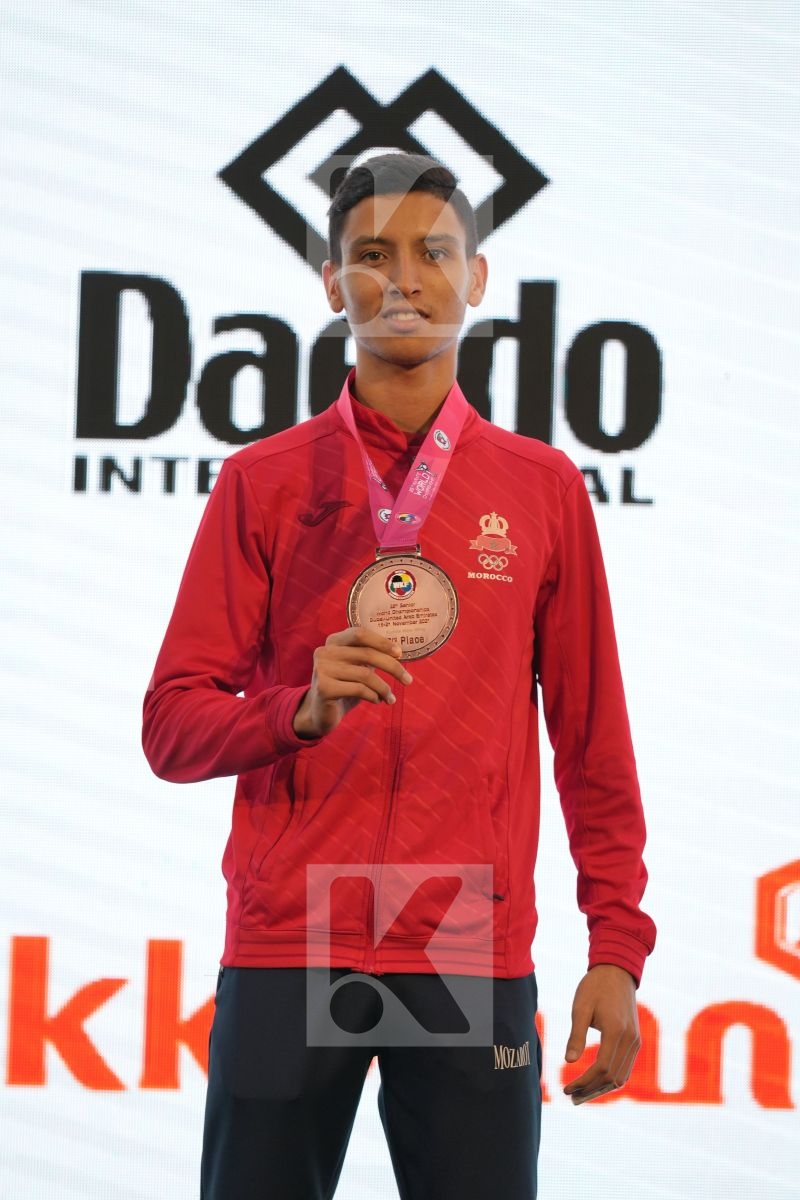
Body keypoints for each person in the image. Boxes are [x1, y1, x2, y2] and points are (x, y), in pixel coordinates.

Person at [143, 151, 656, 1200]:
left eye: (433, 252)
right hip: (292, 928)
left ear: (475, 278)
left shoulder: (541, 487)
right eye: (370, 256)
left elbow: (590, 738)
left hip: (460, 921)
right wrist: (297, 710)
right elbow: (171, 725)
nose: (402, 280)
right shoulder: (263, 482)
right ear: (332, 284)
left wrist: (616, 944)